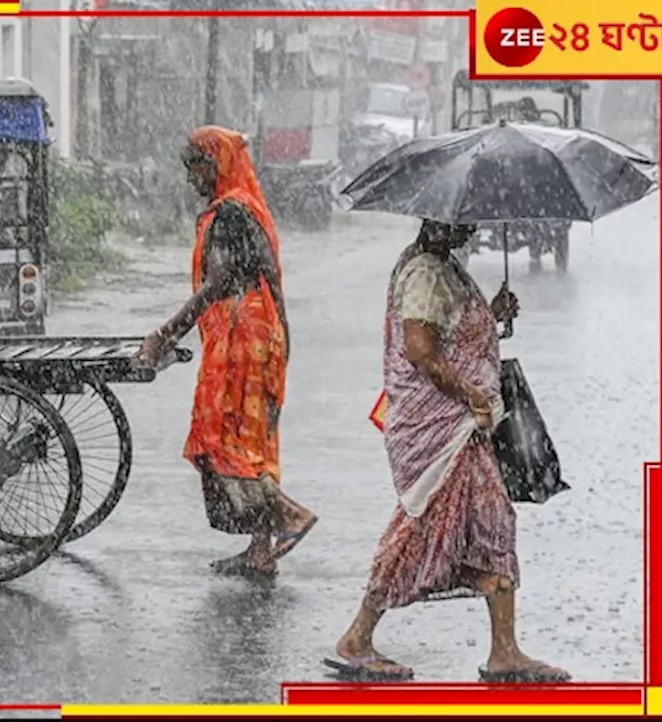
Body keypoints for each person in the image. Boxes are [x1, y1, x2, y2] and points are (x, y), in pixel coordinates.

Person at [327, 220, 570, 682]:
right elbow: (421, 349)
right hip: (443, 429)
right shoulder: (425, 272)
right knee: (423, 527)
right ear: (439, 219)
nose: (472, 227)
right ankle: (358, 637)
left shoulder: (443, 267)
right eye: (464, 220)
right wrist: (471, 394)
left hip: (464, 430)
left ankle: (505, 651)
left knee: (491, 523)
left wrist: (492, 317)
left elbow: (451, 334)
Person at [137, 126, 317, 580]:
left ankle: (289, 516)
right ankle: (260, 548)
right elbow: (271, 283)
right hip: (261, 333)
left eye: (196, 168)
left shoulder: (229, 215)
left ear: (215, 165)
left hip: (241, 337)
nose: (191, 179)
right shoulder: (248, 209)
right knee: (251, 438)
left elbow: (216, 284)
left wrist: (165, 333)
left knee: (221, 437)